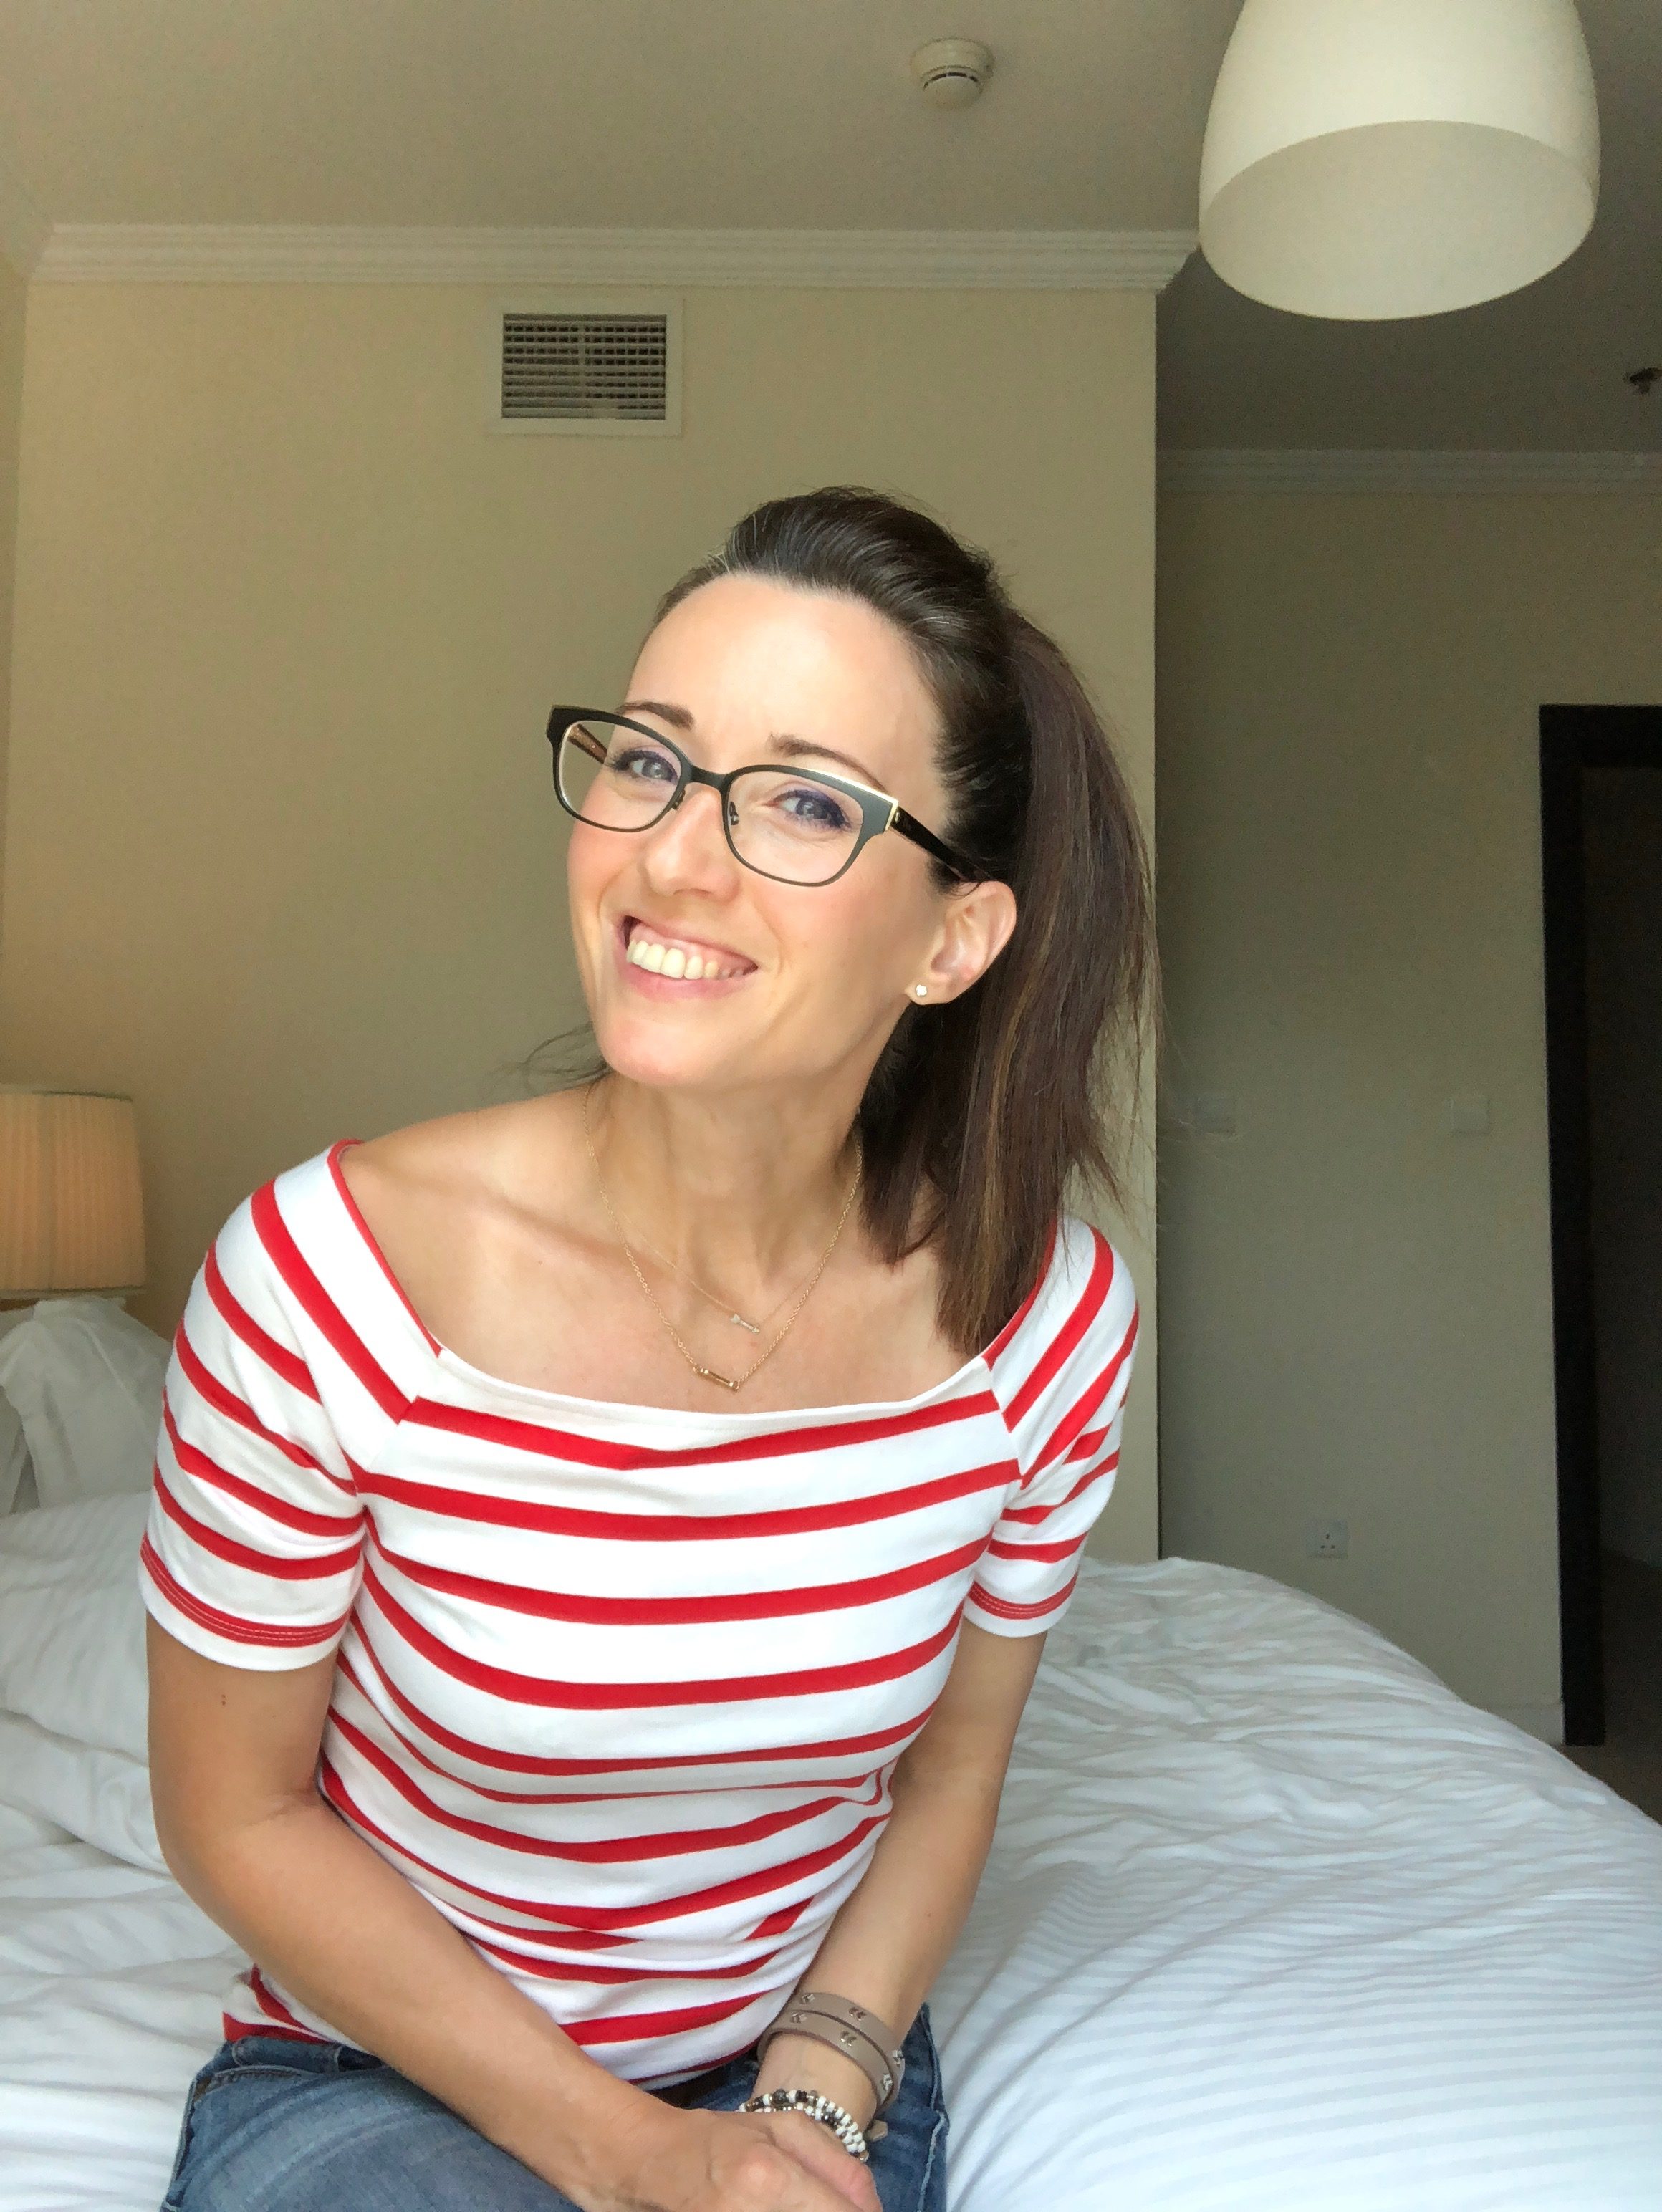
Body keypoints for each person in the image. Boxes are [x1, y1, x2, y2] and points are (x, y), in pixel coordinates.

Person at [143, 486, 1150, 2212]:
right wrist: (629, 2154)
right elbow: (233, 1813)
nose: (671, 854)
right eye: (647, 760)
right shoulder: (329, 1276)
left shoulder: (1042, 1325)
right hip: (379, 2071)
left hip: (787, 2075)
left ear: (952, 938)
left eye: (805, 802)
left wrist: (816, 2096)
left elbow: (948, 1774)